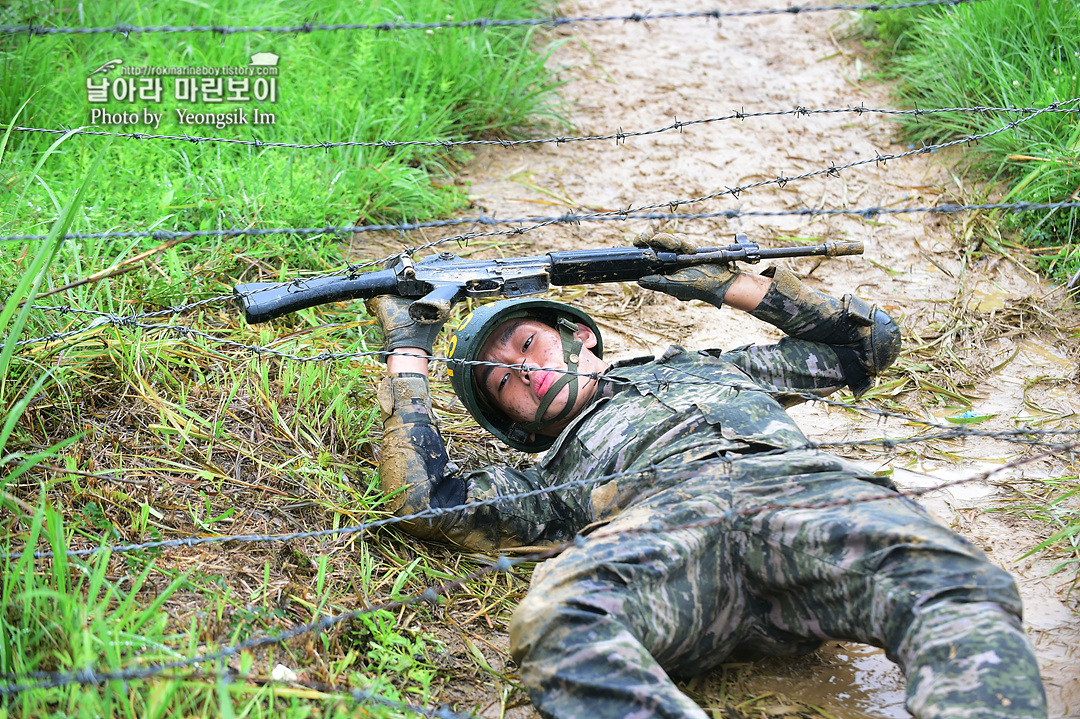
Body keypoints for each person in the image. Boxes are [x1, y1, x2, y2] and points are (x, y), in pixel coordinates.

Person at [365, 233, 1047, 719]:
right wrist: (407, 356)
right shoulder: (541, 474)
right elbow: (427, 501)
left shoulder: (708, 368)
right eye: (500, 381)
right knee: (558, 618)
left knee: (954, 582)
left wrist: (734, 286)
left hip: (801, 495)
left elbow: (866, 346)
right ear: (512, 424)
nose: (519, 368)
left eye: (524, 341)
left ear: (579, 334)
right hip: (661, 535)